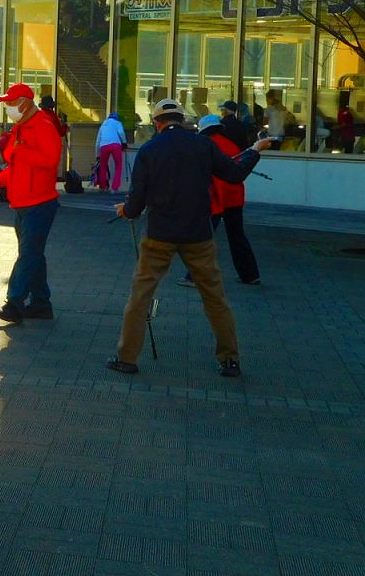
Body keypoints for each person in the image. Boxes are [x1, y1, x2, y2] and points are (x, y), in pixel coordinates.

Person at [106, 99, 272, 379]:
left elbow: (136, 204)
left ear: (157, 123)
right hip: (198, 234)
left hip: (160, 234)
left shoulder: (148, 150)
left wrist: (126, 210)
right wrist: (254, 150)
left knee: (140, 296)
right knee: (215, 297)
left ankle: (127, 358)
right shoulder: (203, 145)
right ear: (182, 120)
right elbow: (233, 174)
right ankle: (230, 360)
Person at [0, 83, 63, 325]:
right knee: (33, 254)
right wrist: (0, 179)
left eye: (10, 102)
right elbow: (17, 165)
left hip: (39, 202)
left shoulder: (43, 125)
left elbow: (51, 161)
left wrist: (21, 153)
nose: (8, 107)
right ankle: (41, 303)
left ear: (24, 102)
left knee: (28, 254)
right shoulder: (22, 127)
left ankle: (15, 302)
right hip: (24, 201)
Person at [179, 115, 261, 287]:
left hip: (216, 198)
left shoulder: (205, 145)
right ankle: (250, 275)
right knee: (237, 236)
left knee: (203, 237)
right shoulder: (230, 144)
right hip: (234, 197)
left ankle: (193, 276)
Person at [95, 112, 127, 194]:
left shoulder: (103, 124)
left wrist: (97, 154)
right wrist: (124, 142)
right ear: (116, 118)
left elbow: (98, 140)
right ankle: (114, 188)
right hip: (116, 145)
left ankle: (103, 187)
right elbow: (121, 133)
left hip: (104, 145)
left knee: (103, 167)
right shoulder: (117, 123)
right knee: (118, 167)